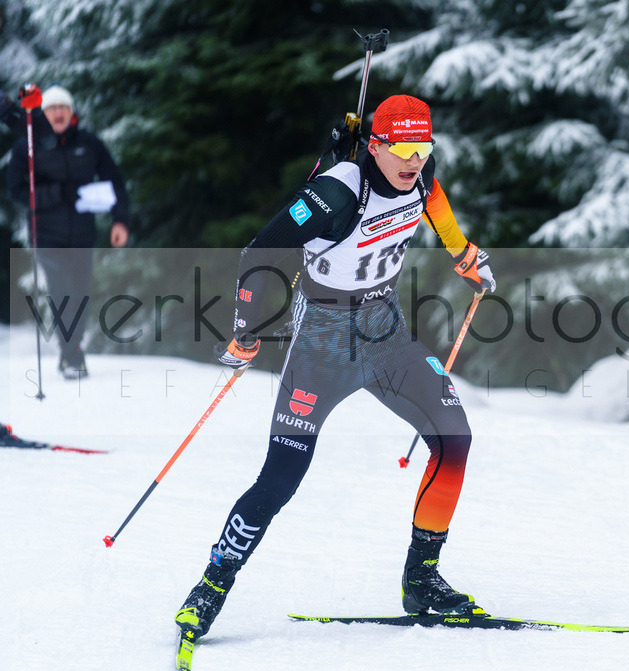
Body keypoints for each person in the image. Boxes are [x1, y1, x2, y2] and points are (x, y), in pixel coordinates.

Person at [175, 95, 497, 642]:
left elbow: (434, 199)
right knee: (280, 479)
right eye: (403, 148)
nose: (415, 160)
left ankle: (422, 581)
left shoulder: (420, 173)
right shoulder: (338, 192)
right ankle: (210, 588)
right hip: (321, 345)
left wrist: (462, 253)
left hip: (384, 331)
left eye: (423, 147)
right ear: (376, 145)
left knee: (454, 438)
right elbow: (259, 252)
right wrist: (247, 329)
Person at [6, 85, 131, 379]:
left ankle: (71, 348)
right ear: (42, 114)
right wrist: (58, 193)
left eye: (64, 107)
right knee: (62, 294)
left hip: (83, 234)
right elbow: (16, 190)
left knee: (81, 295)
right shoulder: (27, 146)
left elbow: (114, 179)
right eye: (52, 108)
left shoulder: (89, 143)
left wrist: (120, 221)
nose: (59, 113)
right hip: (46, 235)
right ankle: (72, 354)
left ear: (72, 113)